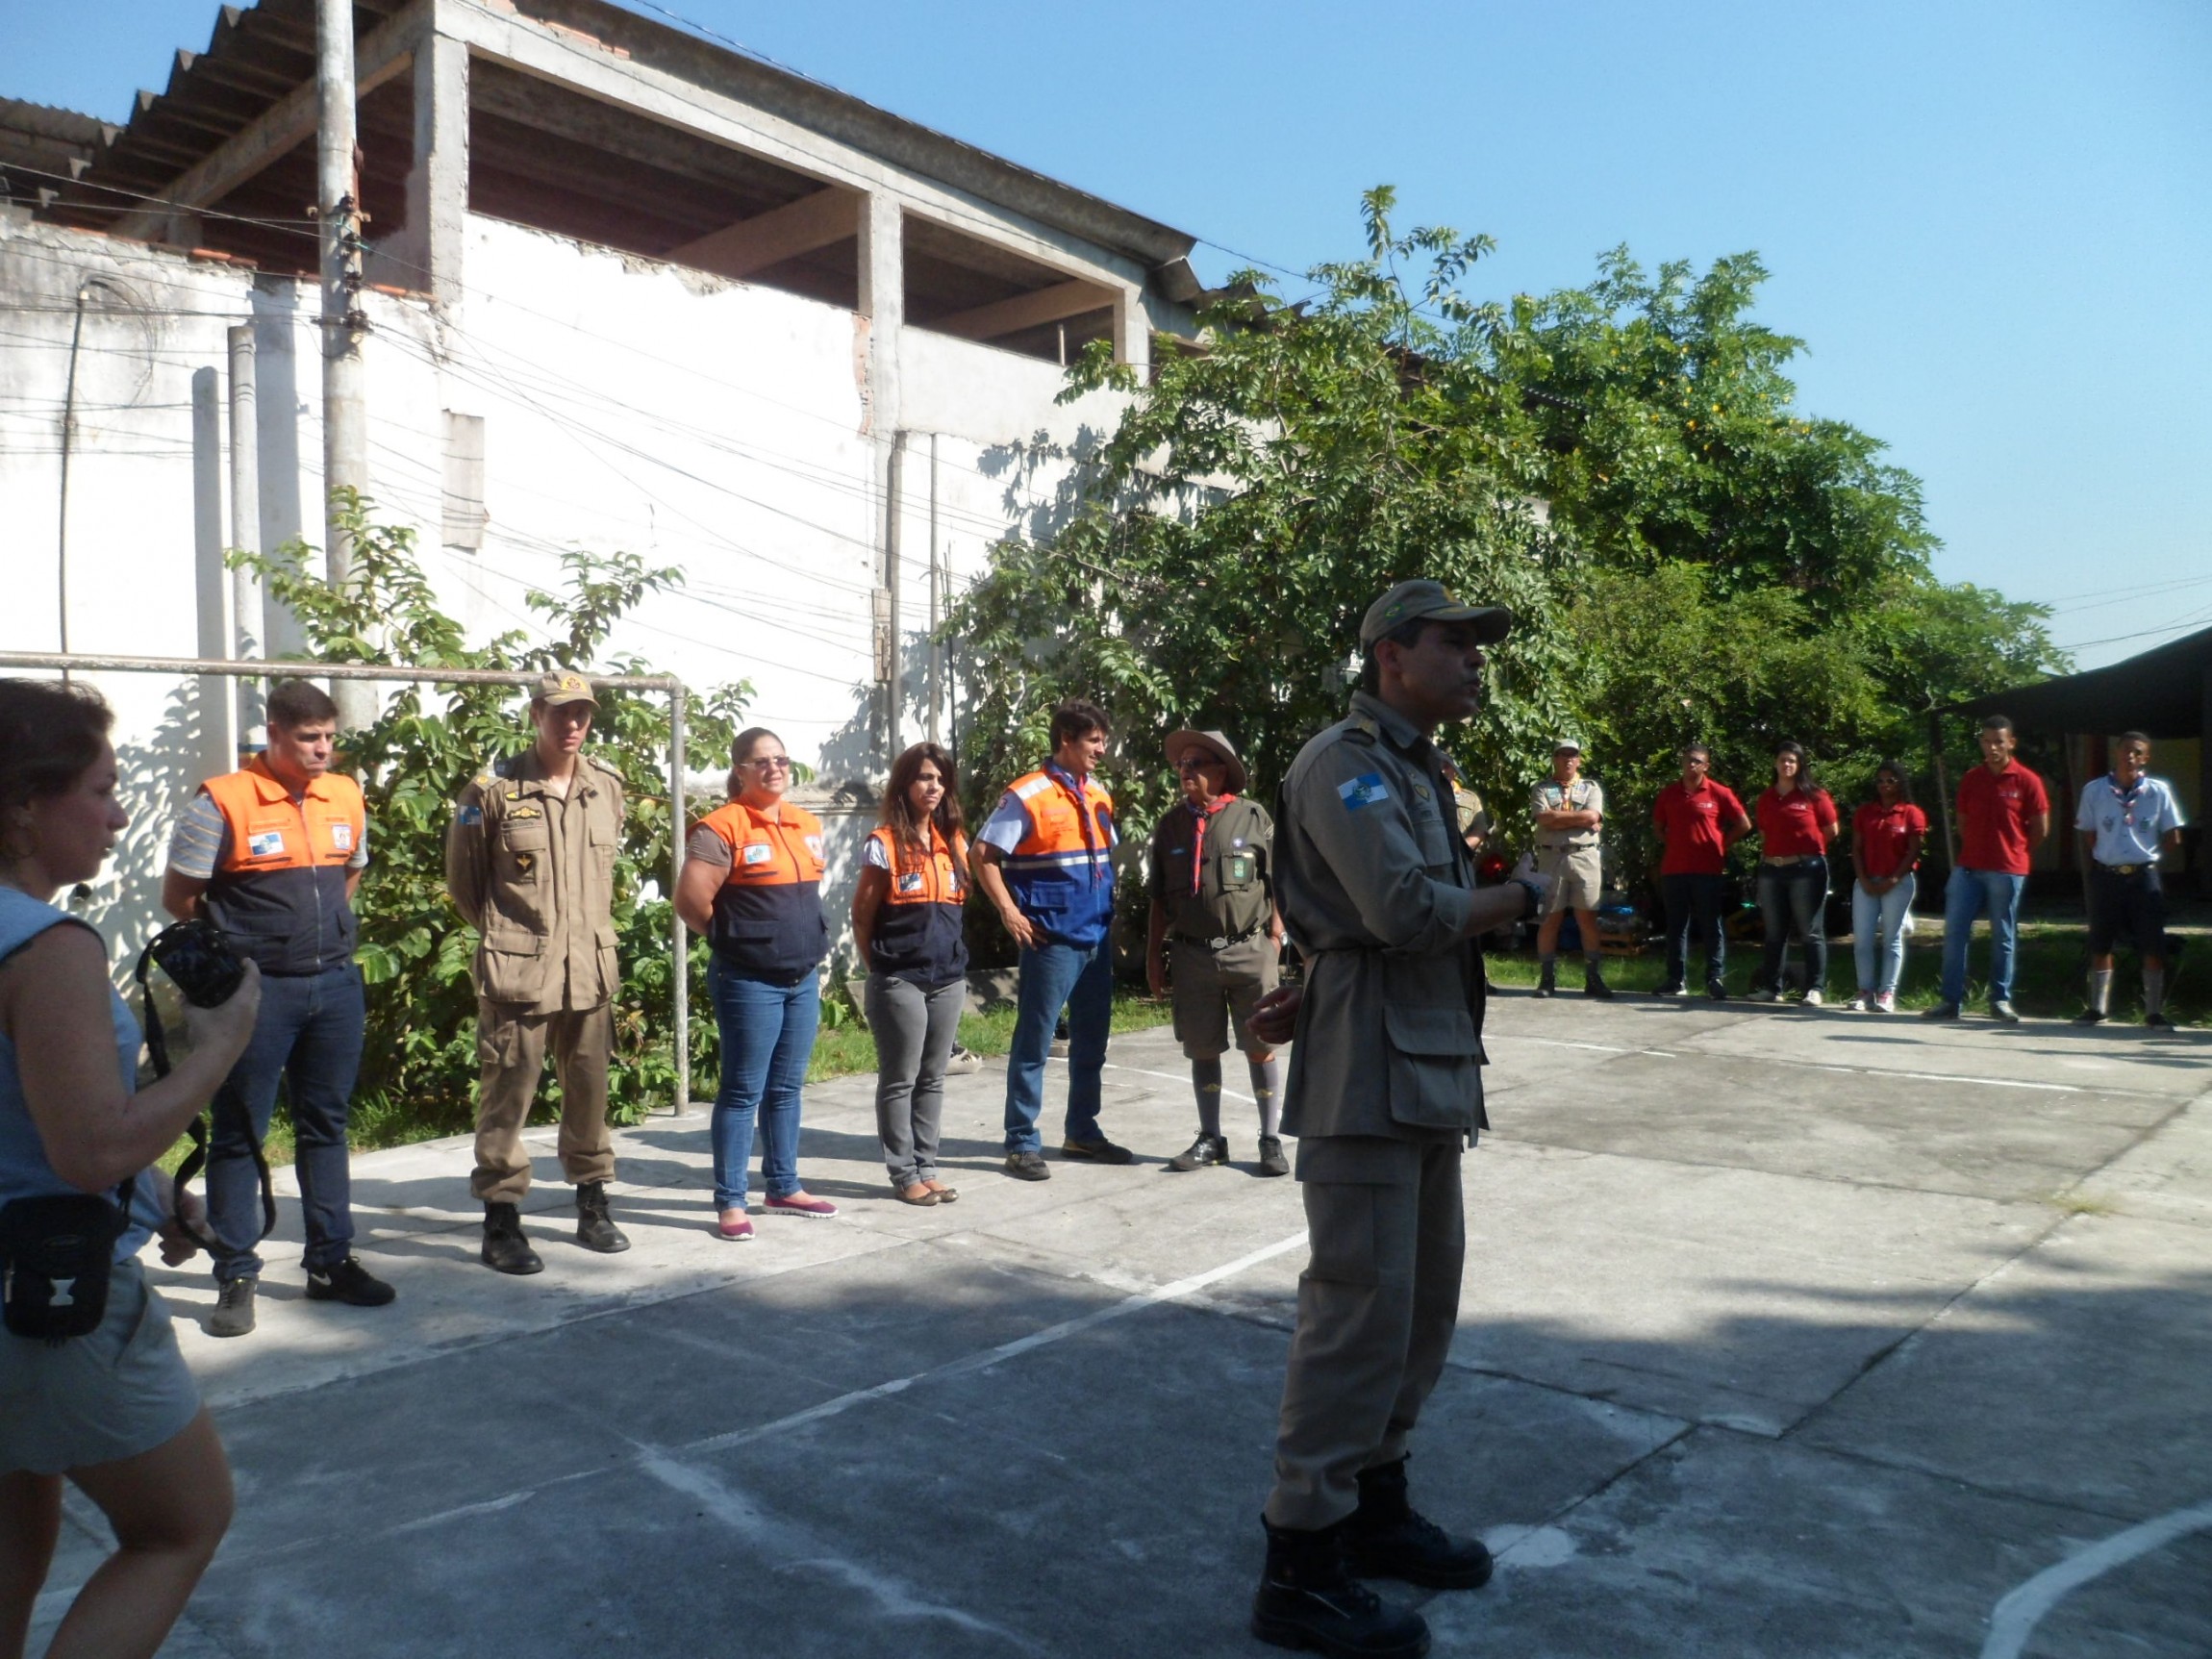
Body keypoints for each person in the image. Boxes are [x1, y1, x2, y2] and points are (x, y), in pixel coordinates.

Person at [1244, 581, 1541, 1659]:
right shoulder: (1343, 762)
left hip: (1419, 1063)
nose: (1471, 659)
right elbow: (1407, 912)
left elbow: (1383, 920)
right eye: (1449, 642)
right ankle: (1300, 1560)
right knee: (1355, 1315)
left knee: (1417, 1313)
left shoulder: (1419, 766)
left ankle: (1372, 1507)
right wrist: (1523, 901)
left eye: (1474, 644)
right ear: (1388, 655)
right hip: (1368, 1067)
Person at [1, 678, 262, 1658]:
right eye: (100, 791)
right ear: (26, 804)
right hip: (45, 1298)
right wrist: (218, 1043)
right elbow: (90, 1145)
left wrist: (150, 1193)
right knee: (179, 1524)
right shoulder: (47, 946)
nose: (118, 816)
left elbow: (26, 1120)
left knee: (14, 1534)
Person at [162, 678, 393, 1336]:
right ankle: (236, 1273)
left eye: (329, 737)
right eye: (308, 738)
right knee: (240, 1131)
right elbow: (180, 897)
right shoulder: (223, 801)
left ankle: (330, 1261)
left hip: (336, 985)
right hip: (257, 995)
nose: (322, 750)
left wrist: (323, 935)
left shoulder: (345, 792)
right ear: (274, 733)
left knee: (327, 1123)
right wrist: (237, 960)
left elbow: (352, 869)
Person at [444, 669, 632, 1274]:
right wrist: (512, 938)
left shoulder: (606, 787)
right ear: (535, 715)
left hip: (590, 967)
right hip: (520, 970)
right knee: (508, 1094)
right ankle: (500, 1220)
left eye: (582, 714)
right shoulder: (491, 792)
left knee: (590, 1090)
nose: (572, 725)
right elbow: (466, 884)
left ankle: (592, 1202)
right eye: (560, 713)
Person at [676, 727, 837, 1240]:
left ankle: (784, 1185)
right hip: (749, 981)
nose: (774, 769)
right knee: (744, 1089)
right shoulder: (720, 827)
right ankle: (730, 1201)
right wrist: (736, 942)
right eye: (761, 761)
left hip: (801, 979)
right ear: (740, 771)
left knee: (787, 1088)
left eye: (781, 760)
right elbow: (690, 902)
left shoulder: (806, 822)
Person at [970, 699, 1128, 1180]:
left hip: (1096, 936)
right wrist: (1008, 911)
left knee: (1092, 1042)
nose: (1102, 749)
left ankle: (1082, 1130)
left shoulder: (1098, 793)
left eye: (1103, 739)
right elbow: (982, 854)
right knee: (1035, 1041)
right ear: (1066, 740)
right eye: (1094, 740)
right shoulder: (1026, 794)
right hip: (1051, 940)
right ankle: (1021, 1141)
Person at [1144, 729, 1288, 1178]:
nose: (1184, 772)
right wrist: (1153, 956)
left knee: (1260, 1046)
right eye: (1181, 765)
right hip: (1192, 957)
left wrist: (1277, 936)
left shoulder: (1253, 817)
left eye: (1194, 765)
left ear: (1219, 771)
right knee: (1201, 1048)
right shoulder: (1171, 825)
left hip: (1249, 950)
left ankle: (1270, 1139)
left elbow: (1282, 879)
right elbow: (1157, 900)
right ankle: (1211, 1138)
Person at [852, 742, 969, 1206]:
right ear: (905, 784)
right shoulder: (883, 843)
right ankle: (903, 1173)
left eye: (940, 778)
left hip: (949, 978)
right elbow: (862, 917)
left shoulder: (954, 842)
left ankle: (928, 1166)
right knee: (900, 1078)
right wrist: (879, 968)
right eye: (923, 777)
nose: (933, 786)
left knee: (934, 1076)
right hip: (900, 979)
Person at [1926, 716, 2049, 1023]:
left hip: (2007, 870)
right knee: (1954, 933)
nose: (1993, 747)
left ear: (2011, 743)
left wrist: (2014, 852)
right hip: (1968, 869)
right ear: (1981, 742)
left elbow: (2040, 828)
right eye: (1987, 741)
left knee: (2002, 936)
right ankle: (1950, 1001)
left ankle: (2000, 1000)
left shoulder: (2027, 780)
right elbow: (1963, 822)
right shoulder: (1972, 778)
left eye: (1999, 741)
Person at [2074, 732, 2186, 1029]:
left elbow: (2172, 835)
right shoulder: (2095, 790)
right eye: (2126, 751)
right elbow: (2088, 833)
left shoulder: (2158, 791)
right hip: (2107, 875)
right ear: (2117, 753)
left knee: (2152, 944)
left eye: (2137, 753)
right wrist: (2108, 855)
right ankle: (2098, 1008)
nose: (2130, 757)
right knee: (2101, 941)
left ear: (2145, 757)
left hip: (2143, 876)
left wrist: (2146, 857)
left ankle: (2153, 1012)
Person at [1648, 744, 1750, 998]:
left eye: (1697, 761)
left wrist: (1721, 844)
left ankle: (1714, 979)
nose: (1691, 765)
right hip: (1674, 870)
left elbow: (1743, 824)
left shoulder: (1718, 793)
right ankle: (1675, 980)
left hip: (1707, 870)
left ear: (1706, 766)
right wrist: (1674, 845)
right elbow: (1659, 827)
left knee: (1710, 924)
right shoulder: (1669, 794)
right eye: (1687, 760)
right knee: (1676, 926)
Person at [1747, 742, 1839, 1006]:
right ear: (1775, 764)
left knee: (1810, 930)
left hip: (1806, 871)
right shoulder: (1767, 798)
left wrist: (1806, 852)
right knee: (1774, 932)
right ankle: (1771, 988)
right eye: (1782, 760)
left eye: (1792, 761)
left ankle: (1815, 988)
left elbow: (1831, 829)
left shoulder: (1815, 796)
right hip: (1771, 870)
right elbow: (1765, 833)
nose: (1787, 765)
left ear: (1800, 766)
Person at [1529, 739, 1611, 998]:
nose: (1567, 760)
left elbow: (1592, 816)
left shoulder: (1591, 788)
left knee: (1587, 918)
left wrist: (1558, 818)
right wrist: (1579, 819)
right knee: (1550, 918)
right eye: (1562, 755)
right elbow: (1543, 818)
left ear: (1579, 760)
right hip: (1551, 857)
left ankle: (1593, 977)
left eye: (1572, 755)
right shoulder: (1541, 788)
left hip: (1584, 857)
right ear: (1554, 759)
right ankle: (1547, 979)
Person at [1848, 763, 1926, 1013]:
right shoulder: (1865, 812)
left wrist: (1893, 879)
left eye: (1890, 780)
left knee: (1891, 938)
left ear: (1900, 783)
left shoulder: (1911, 813)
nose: (1884, 784)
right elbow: (1857, 849)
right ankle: (1865, 992)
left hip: (1898, 882)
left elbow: (1913, 849)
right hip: (1866, 882)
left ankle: (1887, 993)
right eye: (1880, 780)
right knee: (1862, 939)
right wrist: (1863, 879)